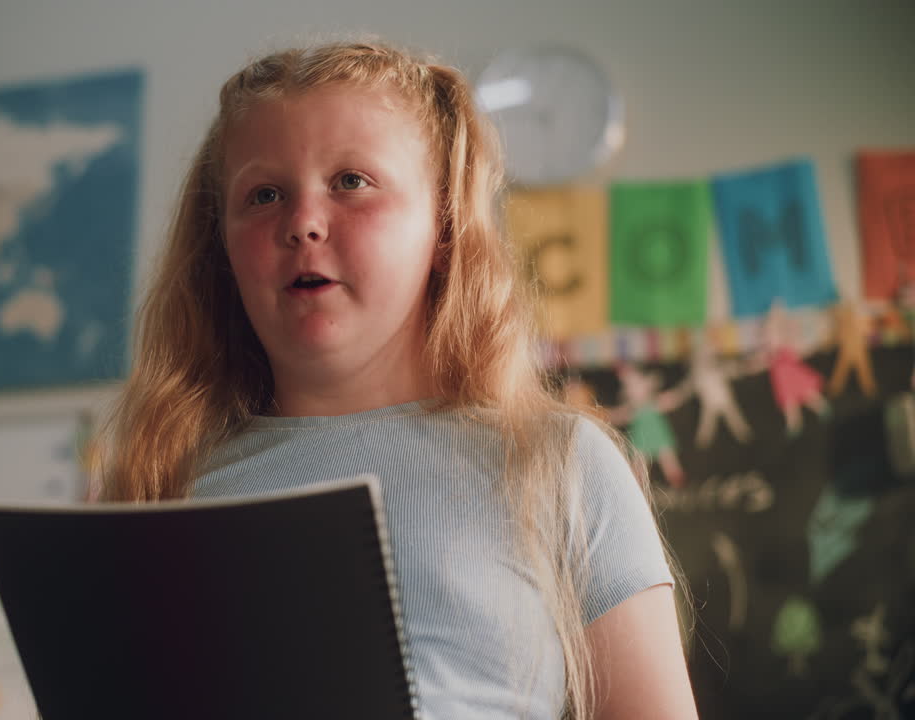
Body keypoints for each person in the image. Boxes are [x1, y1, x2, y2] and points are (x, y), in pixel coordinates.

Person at [90, 38, 698, 719]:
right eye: (263, 195)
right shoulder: (167, 486)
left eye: (351, 182)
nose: (303, 223)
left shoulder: (559, 465)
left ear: (442, 226)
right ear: (221, 246)